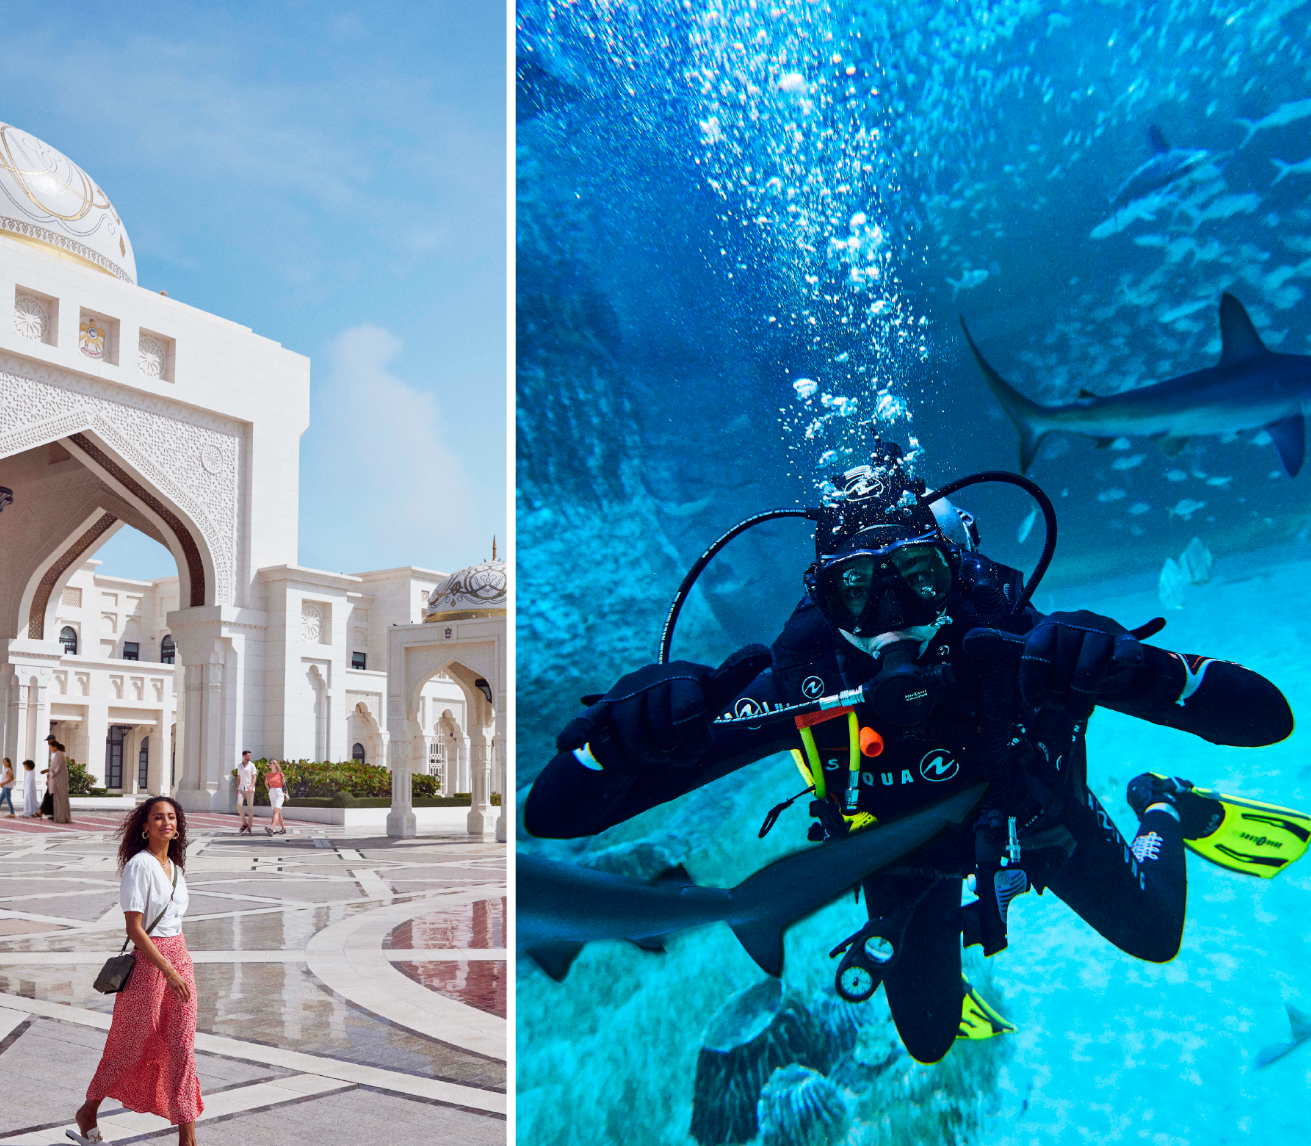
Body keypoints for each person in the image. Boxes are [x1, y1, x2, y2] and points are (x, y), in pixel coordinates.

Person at [523, 440, 1301, 1065]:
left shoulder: (1018, 649)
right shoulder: (803, 684)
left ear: (953, 570)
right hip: (904, 866)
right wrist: (615, 743)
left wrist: (1142, 670)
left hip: (1038, 822)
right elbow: (552, 814)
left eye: (916, 578)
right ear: (821, 599)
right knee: (927, 1043)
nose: (888, 614)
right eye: (854, 591)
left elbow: (1265, 717)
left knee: (1155, 936)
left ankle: (1159, 798)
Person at [68, 797, 231, 1146]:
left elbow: (174, 922)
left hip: (180, 956)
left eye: (172, 817)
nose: (166, 823)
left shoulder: (174, 866)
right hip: (149, 966)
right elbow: (134, 929)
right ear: (144, 825)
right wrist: (168, 972)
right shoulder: (139, 866)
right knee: (129, 1045)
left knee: (181, 1048)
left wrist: (179, 968)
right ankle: (88, 1111)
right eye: (158, 817)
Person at [49, 738, 72, 824]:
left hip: (59, 780)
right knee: (62, 799)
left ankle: (61, 818)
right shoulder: (61, 754)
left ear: (55, 747)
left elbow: (55, 768)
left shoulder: (59, 754)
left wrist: (49, 773)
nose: (51, 749)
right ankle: (64, 817)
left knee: (59, 799)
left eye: (51, 747)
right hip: (61, 779)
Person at [264, 760, 287, 836]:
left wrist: (287, 795)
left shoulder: (280, 774)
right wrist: (269, 791)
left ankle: (271, 829)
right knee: (278, 813)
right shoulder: (268, 775)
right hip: (272, 793)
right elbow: (266, 784)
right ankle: (283, 829)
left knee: (276, 810)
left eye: (271, 763)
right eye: (269, 763)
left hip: (279, 792)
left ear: (275, 764)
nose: (269, 764)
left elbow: (284, 785)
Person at [236, 751, 257, 835]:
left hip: (250, 789)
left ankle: (249, 827)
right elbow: (238, 777)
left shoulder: (252, 765)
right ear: (243, 756)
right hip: (241, 788)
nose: (249, 757)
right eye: (248, 755)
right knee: (239, 805)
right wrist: (236, 788)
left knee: (250, 808)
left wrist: (252, 786)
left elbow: (254, 776)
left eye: (250, 756)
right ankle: (244, 823)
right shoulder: (239, 766)